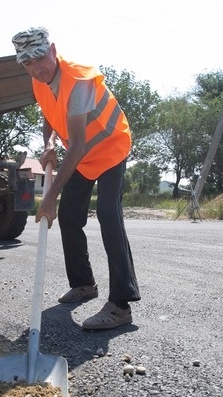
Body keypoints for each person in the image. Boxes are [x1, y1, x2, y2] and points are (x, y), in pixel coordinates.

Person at [12, 27, 140, 330]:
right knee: (70, 216)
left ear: (53, 50)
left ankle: (121, 305)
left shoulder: (79, 80)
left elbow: (80, 142)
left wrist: (49, 196)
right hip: (81, 155)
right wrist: (49, 143)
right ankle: (84, 283)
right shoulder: (39, 80)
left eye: (39, 58)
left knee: (109, 215)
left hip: (109, 147)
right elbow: (49, 112)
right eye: (27, 63)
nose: (36, 67)